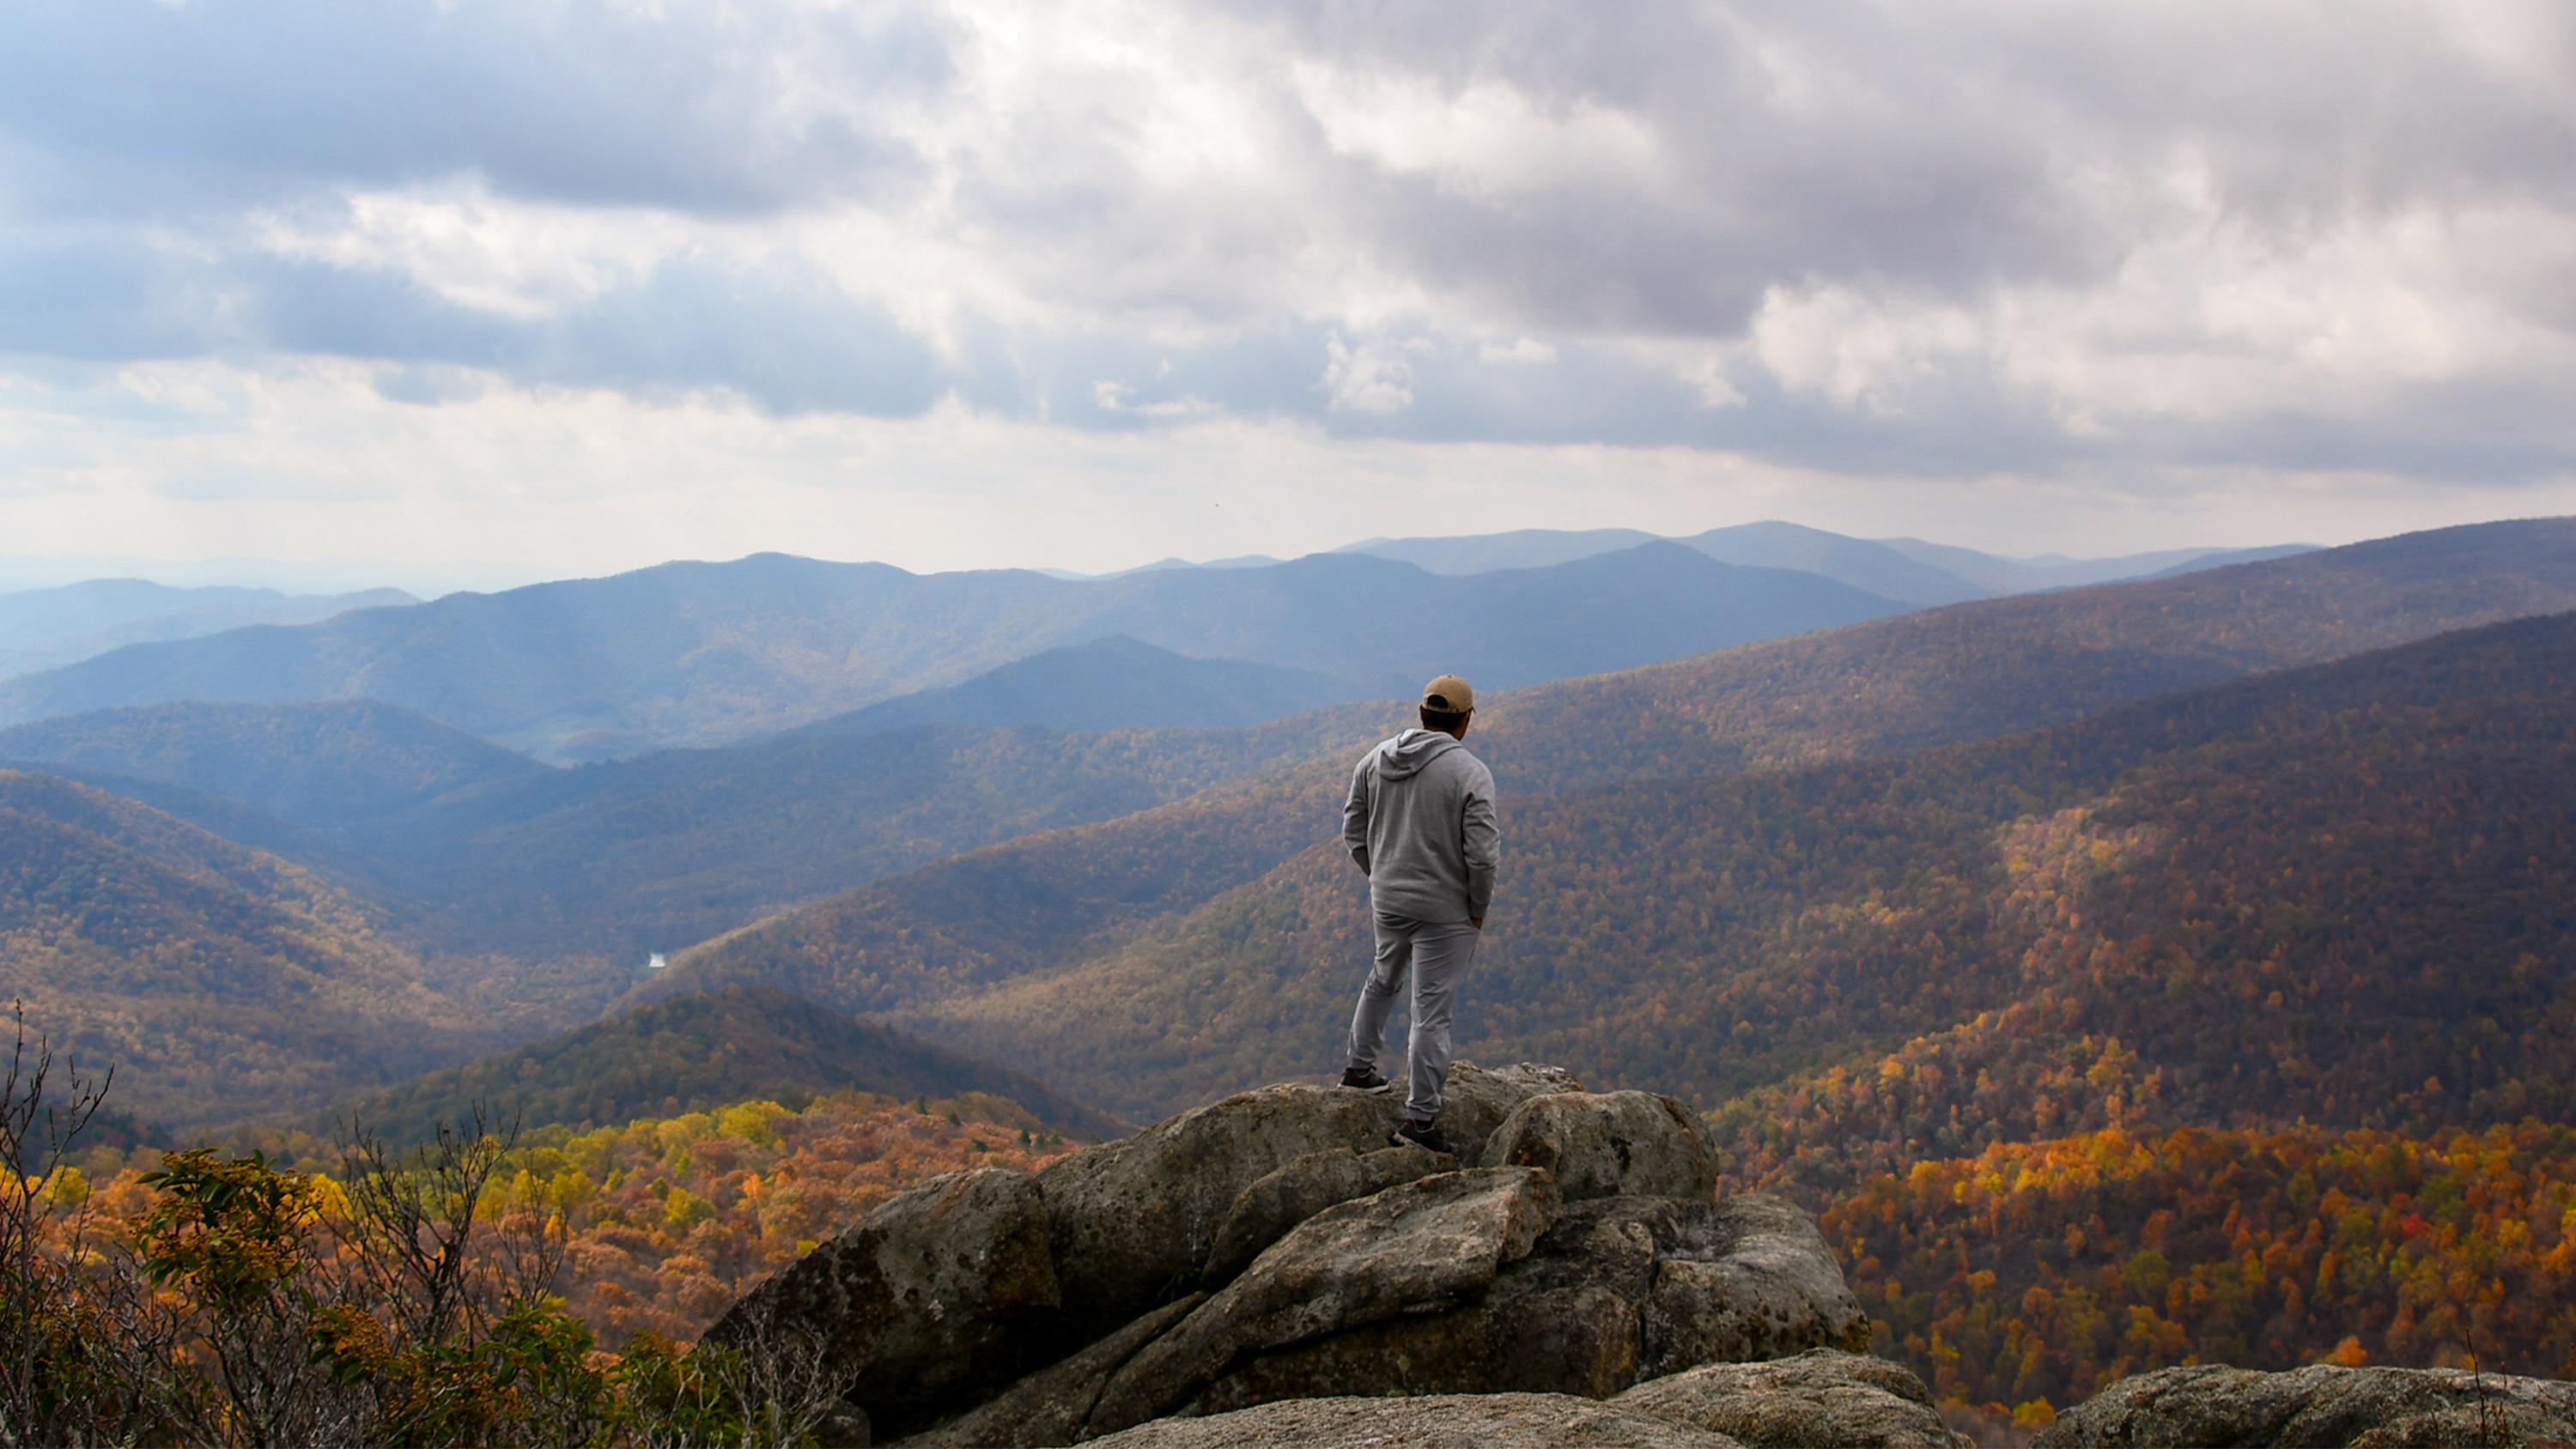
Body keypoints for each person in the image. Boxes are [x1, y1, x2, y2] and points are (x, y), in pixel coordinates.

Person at [1338, 674, 1499, 1155]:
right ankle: (1420, 1122)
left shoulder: (1374, 759)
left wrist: (1378, 875)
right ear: (1465, 721)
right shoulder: (1469, 774)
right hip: (1446, 910)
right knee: (1431, 1013)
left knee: (1382, 977)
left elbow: (1353, 827)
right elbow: (1484, 856)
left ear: (1422, 713)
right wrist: (1477, 909)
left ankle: (1358, 1071)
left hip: (1388, 899)